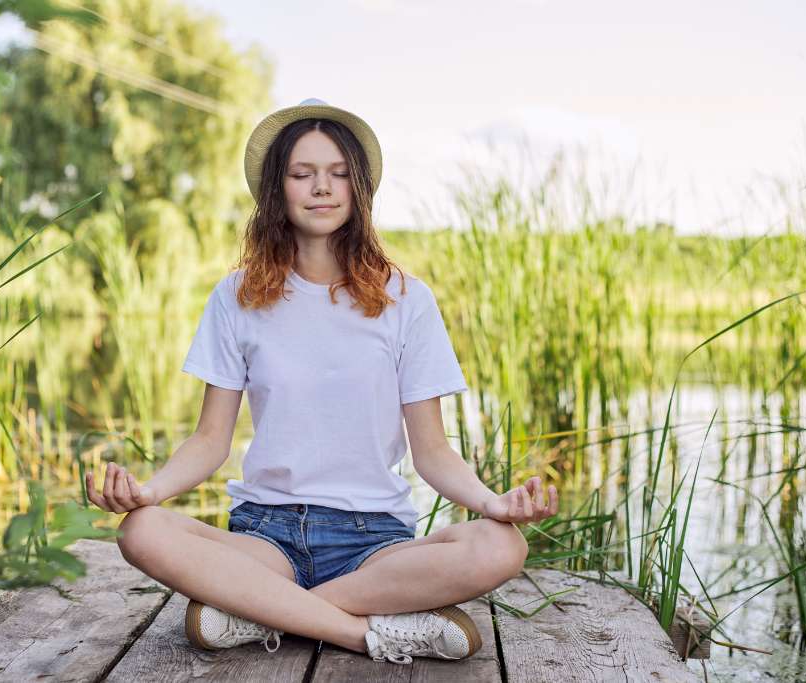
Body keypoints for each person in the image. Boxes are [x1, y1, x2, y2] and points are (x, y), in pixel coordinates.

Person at [85, 98, 559, 665]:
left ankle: (256, 612)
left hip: (375, 542)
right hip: (264, 536)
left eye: (337, 174)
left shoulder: (407, 300)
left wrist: (493, 502)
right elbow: (210, 440)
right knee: (141, 532)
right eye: (302, 174)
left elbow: (430, 451)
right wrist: (148, 492)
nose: (321, 188)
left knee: (503, 545)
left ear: (358, 188)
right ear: (276, 190)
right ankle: (369, 633)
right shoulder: (235, 297)